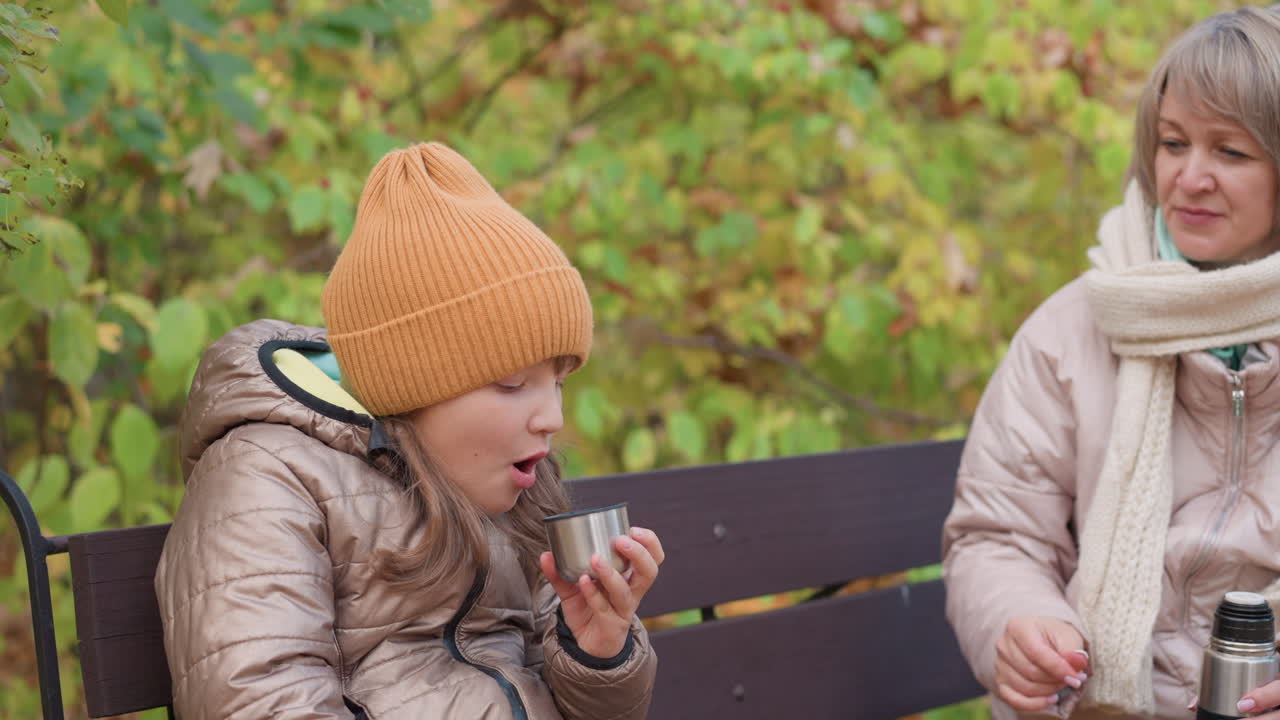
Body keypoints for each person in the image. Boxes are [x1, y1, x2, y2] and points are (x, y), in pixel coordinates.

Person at [153, 142, 662, 719]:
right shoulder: (268, 476)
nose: (553, 418)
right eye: (514, 383)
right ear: (412, 382)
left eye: (560, 382)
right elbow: (257, 702)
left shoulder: (511, 486)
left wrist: (596, 651)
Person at [942, 6, 1280, 718]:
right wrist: (1022, 623)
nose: (1190, 177)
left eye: (1232, 152)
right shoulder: (1069, 333)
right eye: (1173, 143)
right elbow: (997, 538)